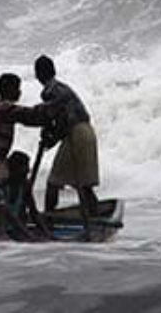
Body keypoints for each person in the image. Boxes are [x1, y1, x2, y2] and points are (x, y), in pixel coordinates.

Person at [34, 55, 100, 237]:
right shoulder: (63, 87)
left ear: (37, 74)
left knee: (53, 182)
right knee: (84, 184)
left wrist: (51, 139)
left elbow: (63, 122)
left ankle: (47, 222)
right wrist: (52, 136)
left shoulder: (49, 92)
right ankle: (95, 220)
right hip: (87, 132)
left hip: (75, 134)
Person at [0, 73, 49, 182]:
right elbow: (31, 116)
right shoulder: (5, 108)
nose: (20, 92)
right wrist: (51, 108)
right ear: (9, 90)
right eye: (17, 88)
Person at [3, 150, 50, 240]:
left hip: (19, 230)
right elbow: (10, 216)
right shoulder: (2, 185)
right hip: (4, 230)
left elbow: (33, 212)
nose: (28, 170)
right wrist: (29, 235)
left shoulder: (25, 186)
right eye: (24, 166)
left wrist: (46, 232)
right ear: (14, 168)